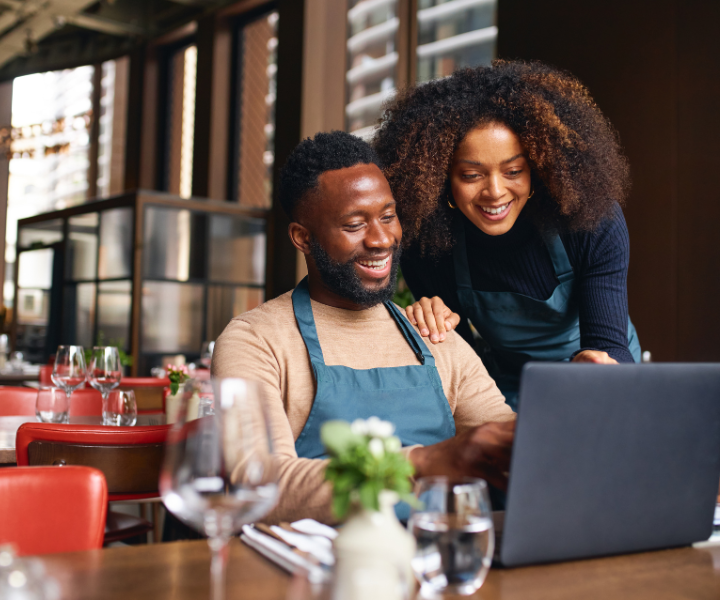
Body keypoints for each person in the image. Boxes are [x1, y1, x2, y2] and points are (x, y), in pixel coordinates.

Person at [211, 131, 514, 525]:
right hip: (314, 575)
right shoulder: (255, 341)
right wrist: (423, 461)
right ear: (303, 238)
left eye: (388, 216)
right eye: (355, 224)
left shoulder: (433, 332)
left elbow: (506, 443)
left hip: (440, 563)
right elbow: (259, 482)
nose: (382, 239)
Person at [372, 60, 641, 409]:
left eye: (514, 170)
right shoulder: (428, 244)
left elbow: (609, 343)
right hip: (508, 386)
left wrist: (599, 366)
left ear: (538, 169)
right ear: (440, 180)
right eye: (471, 175)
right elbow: (462, 365)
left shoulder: (590, 221)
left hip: (599, 376)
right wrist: (432, 325)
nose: (495, 192)